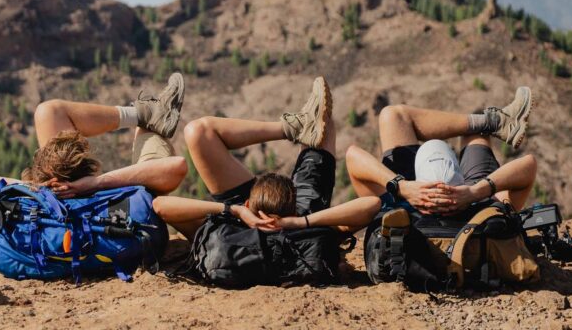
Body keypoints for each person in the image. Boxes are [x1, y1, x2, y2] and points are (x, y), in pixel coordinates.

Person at [155, 76, 382, 238]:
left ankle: (291, 129)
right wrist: (300, 222)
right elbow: (372, 204)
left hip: (246, 220)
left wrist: (235, 211)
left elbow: (161, 205)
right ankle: (297, 128)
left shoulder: (230, 244)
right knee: (323, 125)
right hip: (298, 216)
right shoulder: (309, 239)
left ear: (246, 203)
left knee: (197, 132)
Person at [0, 74, 188, 210]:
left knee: (47, 112)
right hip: (109, 207)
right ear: (89, 167)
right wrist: (94, 184)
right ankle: (145, 116)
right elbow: (175, 168)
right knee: (146, 131)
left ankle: (145, 113)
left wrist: (37, 190)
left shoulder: (34, 206)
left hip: (58, 205)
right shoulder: (109, 193)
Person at [345, 86, 538, 215]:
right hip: (469, 201)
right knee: (477, 133)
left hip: (417, 199)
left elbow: (352, 156)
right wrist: (473, 192)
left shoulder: (398, 214)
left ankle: (493, 122)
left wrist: (404, 188)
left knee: (392, 115)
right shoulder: (486, 210)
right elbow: (529, 165)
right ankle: (493, 122)